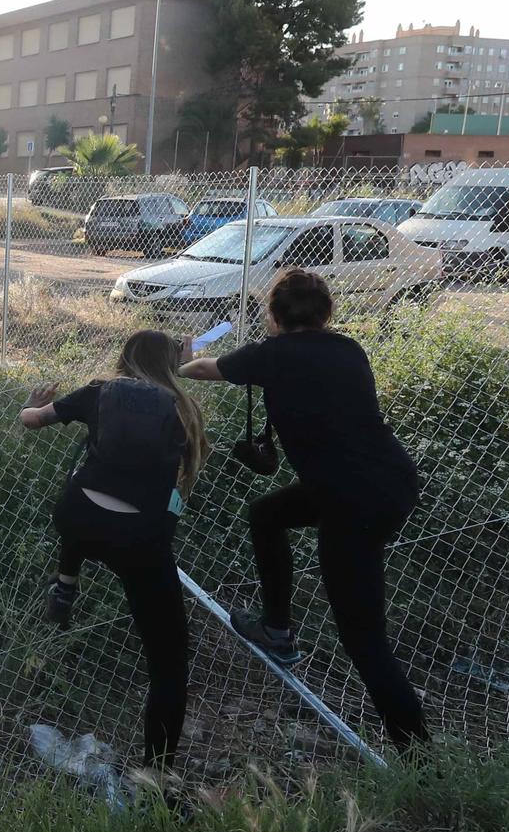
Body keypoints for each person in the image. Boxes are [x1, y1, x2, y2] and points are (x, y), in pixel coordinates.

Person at [180, 268, 429, 750]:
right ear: (327, 314)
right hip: (391, 481)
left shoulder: (271, 355)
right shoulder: (348, 349)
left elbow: (202, 369)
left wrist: (181, 358)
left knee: (363, 638)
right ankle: (277, 627)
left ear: (272, 316)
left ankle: (420, 760)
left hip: (350, 500)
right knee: (268, 514)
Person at [20, 330, 210, 769]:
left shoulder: (99, 391)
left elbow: (32, 420)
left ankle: (66, 581)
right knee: (169, 663)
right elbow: (183, 477)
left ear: (123, 359)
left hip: (78, 517)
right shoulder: (182, 409)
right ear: (170, 365)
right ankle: (158, 772)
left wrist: (31, 402)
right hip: (139, 537)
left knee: (81, 497)